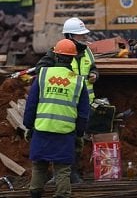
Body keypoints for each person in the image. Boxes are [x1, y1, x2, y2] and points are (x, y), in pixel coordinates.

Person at [24, 39, 90, 198]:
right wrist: (79, 134)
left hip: (42, 129)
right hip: (65, 132)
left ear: (55, 56)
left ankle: (35, 192)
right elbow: (83, 113)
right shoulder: (78, 81)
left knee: (39, 166)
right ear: (73, 58)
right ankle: (62, 194)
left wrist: (28, 125)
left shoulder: (43, 75)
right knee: (62, 169)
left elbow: (31, 103)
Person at [35, 17, 98, 183]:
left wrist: (94, 75)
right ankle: (60, 175)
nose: (84, 38)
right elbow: (41, 70)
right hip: (65, 105)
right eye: (80, 36)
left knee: (79, 140)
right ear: (69, 36)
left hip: (84, 104)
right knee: (63, 141)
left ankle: (73, 172)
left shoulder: (87, 52)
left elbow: (93, 68)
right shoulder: (57, 52)